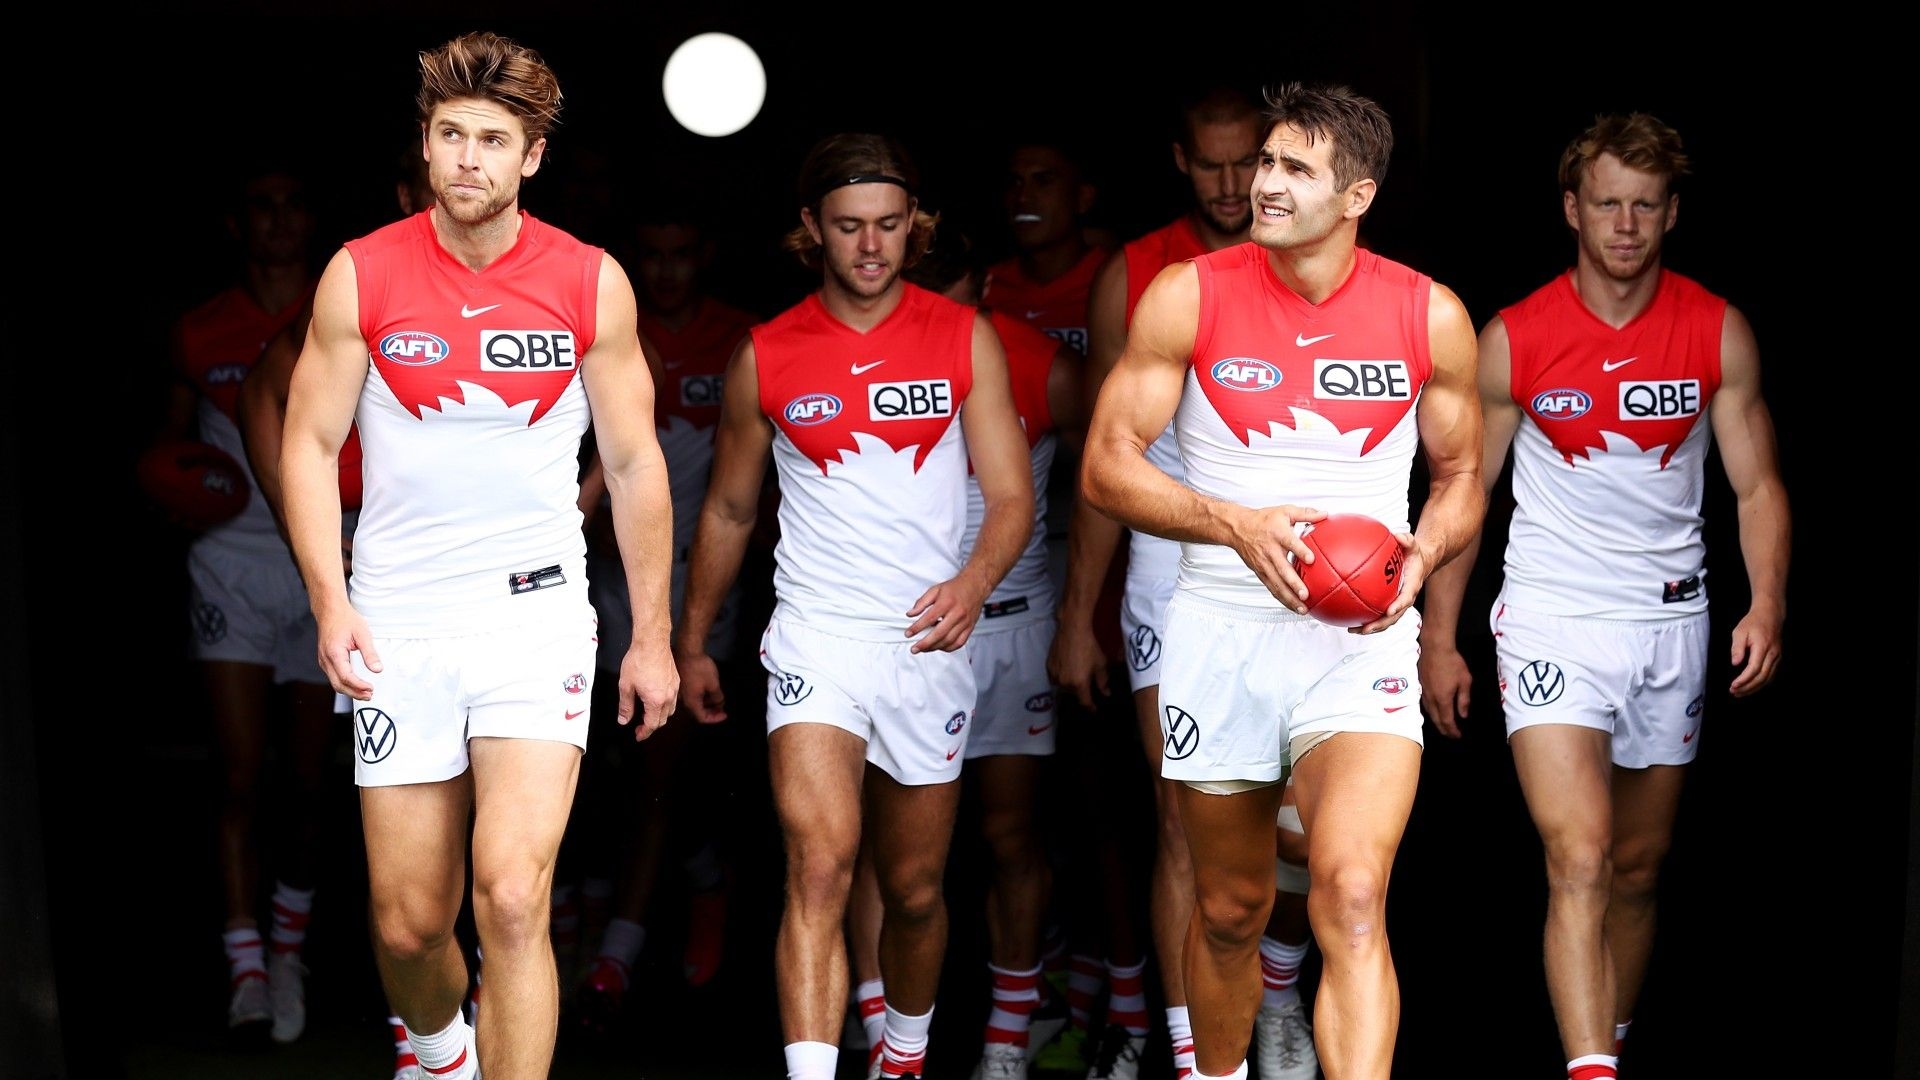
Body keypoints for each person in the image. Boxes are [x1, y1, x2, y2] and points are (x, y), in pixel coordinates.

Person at [278, 30, 679, 1080]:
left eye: (492, 139)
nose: (468, 159)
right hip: (397, 617)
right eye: (450, 135)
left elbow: (635, 466)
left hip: (535, 616)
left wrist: (655, 640)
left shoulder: (591, 282)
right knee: (412, 927)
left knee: (510, 893)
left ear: (531, 157)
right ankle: (447, 1056)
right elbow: (309, 445)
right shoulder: (359, 273)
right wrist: (330, 600)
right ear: (425, 144)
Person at [1079, 80, 1486, 1080]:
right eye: (1264, 161)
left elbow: (1465, 474)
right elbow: (1105, 461)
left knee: (1350, 894)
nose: (1262, 183)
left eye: (1294, 169)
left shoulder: (1427, 314)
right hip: (1222, 629)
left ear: (1357, 195)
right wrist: (1232, 523)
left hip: (1359, 644)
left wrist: (1420, 559)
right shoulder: (1189, 293)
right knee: (1228, 913)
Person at [1417, 112, 1789, 1080]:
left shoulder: (1717, 328)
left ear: (1671, 215)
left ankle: (1603, 1047)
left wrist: (1768, 604)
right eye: (1608, 204)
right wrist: (1438, 638)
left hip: (1672, 621)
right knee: (1579, 856)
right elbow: (1467, 494)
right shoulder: (1515, 337)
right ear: (1573, 210)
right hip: (1552, 618)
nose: (1625, 225)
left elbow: (1757, 487)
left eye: (1646, 206)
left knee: (1635, 866)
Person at [672, 132, 1034, 1080]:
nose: (870, 247)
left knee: (914, 890)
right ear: (811, 230)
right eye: (848, 228)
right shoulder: (767, 352)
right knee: (822, 867)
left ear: (912, 227)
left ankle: (903, 1059)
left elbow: (1009, 496)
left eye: (887, 226)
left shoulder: (964, 337)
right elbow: (731, 506)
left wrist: (972, 583)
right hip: (815, 638)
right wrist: (693, 638)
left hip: (926, 640)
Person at [1050, 82, 1324, 1080]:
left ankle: (1280, 993)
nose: (1226, 183)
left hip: (1301, 556)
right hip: (1174, 563)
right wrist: (1078, 613)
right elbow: (1103, 451)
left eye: (1244, 161)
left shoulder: (1315, 255)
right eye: (1206, 163)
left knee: (1296, 815)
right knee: (1183, 814)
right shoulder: (1138, 272)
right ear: (1178, 160)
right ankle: (1191, 1055)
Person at [840, 226, 1085, 1080]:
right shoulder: (862, 349)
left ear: (981, 289)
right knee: (881, 846)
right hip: (899, 627)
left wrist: (1085, 612)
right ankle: (883, 1045)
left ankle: (1007, 1042)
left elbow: (1110, 478)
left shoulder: (1040, 364)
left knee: (1010, 833)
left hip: (1012, 621)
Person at [237, 142, 457, 1080]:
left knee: (480, 841)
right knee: (377, 820)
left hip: (486, 588)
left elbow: (614, 432)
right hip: (367, 575)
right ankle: (400, 1030)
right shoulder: (358, 290)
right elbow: (274, 416)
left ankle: (454, 1030)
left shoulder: (541, 287)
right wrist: (322, 568)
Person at [563, 195, 762, 1030]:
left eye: (683, 251)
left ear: (705, 251)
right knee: (593, 757)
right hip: (599, 574)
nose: (668, 268)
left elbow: (766, 483)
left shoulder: (742, 340)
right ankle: (692, 872)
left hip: (699, 586)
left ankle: (621, 948)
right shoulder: (607, 324)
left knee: (659, 762)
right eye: (654, 251)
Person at [146, 160, 329, 1047]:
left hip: (325, 564)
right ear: (237, 223)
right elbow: (170, 454)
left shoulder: (340, 314)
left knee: (306, 781)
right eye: (264, 205)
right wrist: (175, 487)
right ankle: (246, 969)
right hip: (230, 563)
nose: (280, 222)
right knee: (239, 774)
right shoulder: (199, 329)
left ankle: (289, 954)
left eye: (294, 204)